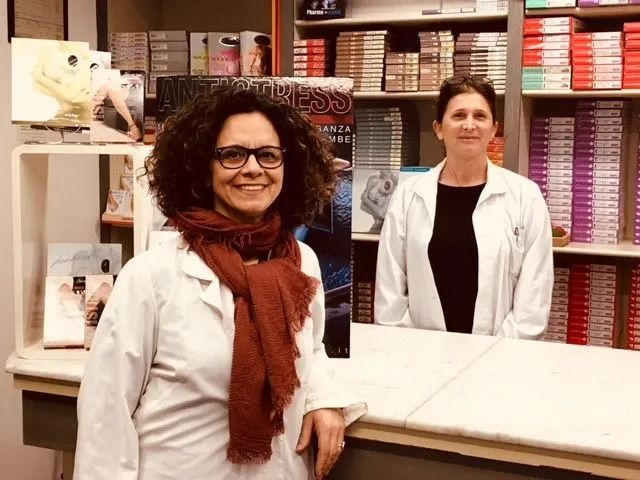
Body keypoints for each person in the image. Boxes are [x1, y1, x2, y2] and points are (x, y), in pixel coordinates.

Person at [74, 87, 366, 479]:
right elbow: (105, 412)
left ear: (288, 165)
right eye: (233, 154)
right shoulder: (151, 276)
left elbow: (311, 352)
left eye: (268, 155)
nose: (253, 168)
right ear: (203, 168)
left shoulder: (301, 262)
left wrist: (324, 399)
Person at [375, 76, 553, 339]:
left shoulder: (525, 196)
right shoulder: (407, 195)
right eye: (458, 115)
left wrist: (498, 353)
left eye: (480, 116)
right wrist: (411, 351)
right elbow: (390, 290)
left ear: (494, 129)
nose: (469, 125)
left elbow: (533, 299)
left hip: (502, 355)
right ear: (438, 128)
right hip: (419, 353)